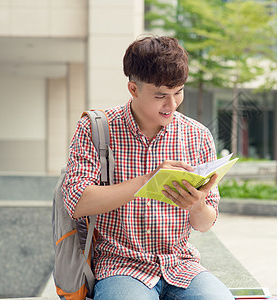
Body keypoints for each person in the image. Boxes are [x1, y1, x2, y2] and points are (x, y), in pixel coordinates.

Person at [62, 35, 234, 300]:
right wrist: (149, 179)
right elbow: (76, 202)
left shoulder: (197, 135)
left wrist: (197, 204)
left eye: (178, 92)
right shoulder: (96, 129)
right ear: (133, 89)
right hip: (120, 266)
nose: (172, 105)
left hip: (181, 266)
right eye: (161, 96)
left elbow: (205, 224)